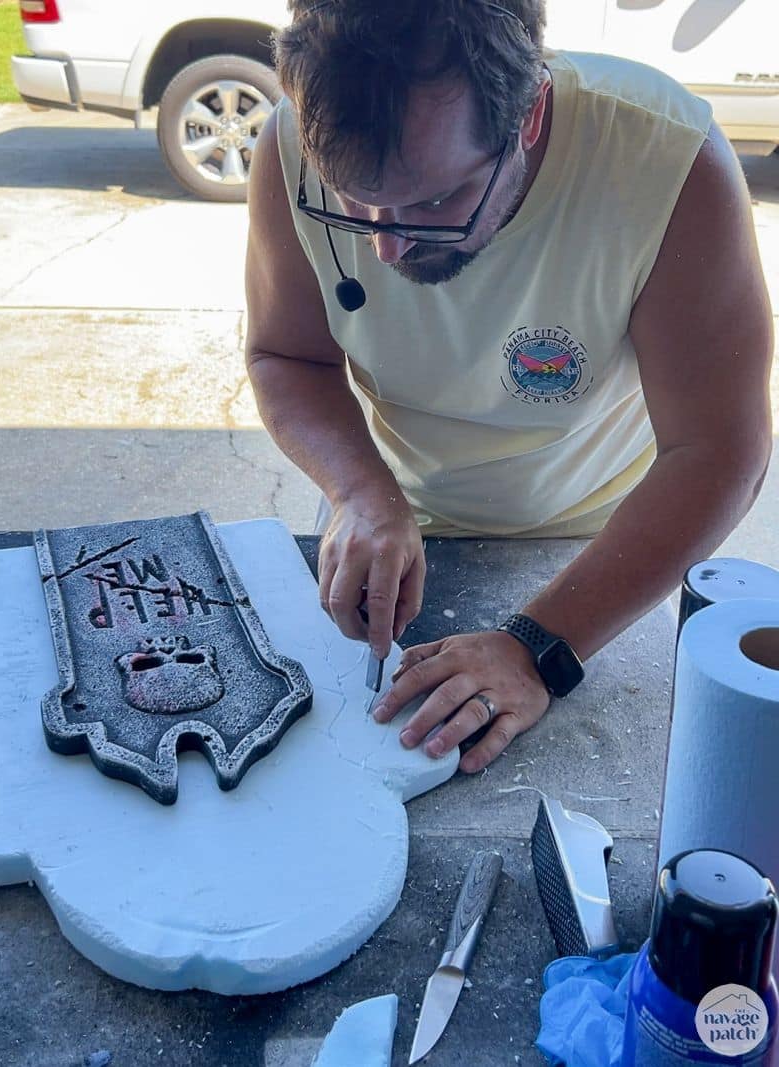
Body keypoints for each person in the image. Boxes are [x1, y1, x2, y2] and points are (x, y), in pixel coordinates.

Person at [244, 0, 773, 774]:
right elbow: (288, 358)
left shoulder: (667, 161)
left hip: (603, 538)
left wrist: (539, 647)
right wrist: (362, 493)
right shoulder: (290, 144)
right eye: (354, 202)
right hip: (396, 504)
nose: (387, 246)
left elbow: (722, 448)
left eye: (433, 203)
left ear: (529, 116)